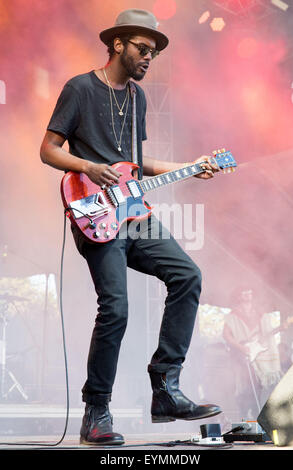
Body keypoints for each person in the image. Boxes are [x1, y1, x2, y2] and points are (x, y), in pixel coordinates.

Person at [40, 9, 221, 446]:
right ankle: (96, 411)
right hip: (96, 214)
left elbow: (135, 166)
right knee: (116, 309)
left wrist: (189, 167)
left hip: (134, 212)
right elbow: (48, 150)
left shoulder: (137, 97)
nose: (148, 58)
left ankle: (165, 389)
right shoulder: (80, 88)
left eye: (154, 53)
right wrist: (88, 166)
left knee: (187, 275)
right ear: (118, 43)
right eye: (143, 49)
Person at [223, 288, 282, 419]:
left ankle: (257, 418)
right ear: (238, 296)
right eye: (244, 292)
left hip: (258, 359)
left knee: (259, 388)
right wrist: (241, 347)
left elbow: (265, 336)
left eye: (249, 291)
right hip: (241, 356)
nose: (247, 294)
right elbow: (226, 335)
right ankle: (243, 417)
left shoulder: (260, 314)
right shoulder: (233, 315)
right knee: (244, 388)